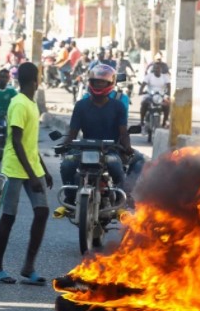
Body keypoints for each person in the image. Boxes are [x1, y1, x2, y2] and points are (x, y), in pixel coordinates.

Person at [0, 62, 52, 286]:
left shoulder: (31, 103)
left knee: (42, 212)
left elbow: (30, 143)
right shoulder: (18, 104)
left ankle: (28, 267)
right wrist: (33, 176)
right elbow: (15, 141)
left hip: (32, 167)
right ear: (35, 80)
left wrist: (41, 169)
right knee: (8, 217)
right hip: (14, 169)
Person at [56, 65, 141, 216]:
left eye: (102, 82)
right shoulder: (81, 106)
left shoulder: (118, 106)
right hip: (84, 148)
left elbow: (123, 132)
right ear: (90, 82)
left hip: (109, 149)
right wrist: (65, 144)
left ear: (110, 84)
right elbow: (73, 131)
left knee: (118, 169)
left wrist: (127, 147)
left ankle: (120, 201)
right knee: (67, 164)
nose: (98, 85)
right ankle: (69, 198)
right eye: (95, 82)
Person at [139, 62, 171, 128]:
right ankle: (142, 121)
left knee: (167, 106)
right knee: (144, 103)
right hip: (150, 95)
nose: (157, 69)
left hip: (161, 96)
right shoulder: (149, 76)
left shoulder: (165, 77)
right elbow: (143, 84)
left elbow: (168, 86)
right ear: (153, 69)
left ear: (161, 69)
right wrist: (141, 91)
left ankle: (164, 123)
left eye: (158, 68)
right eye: (155, 68)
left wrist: (168, 93)